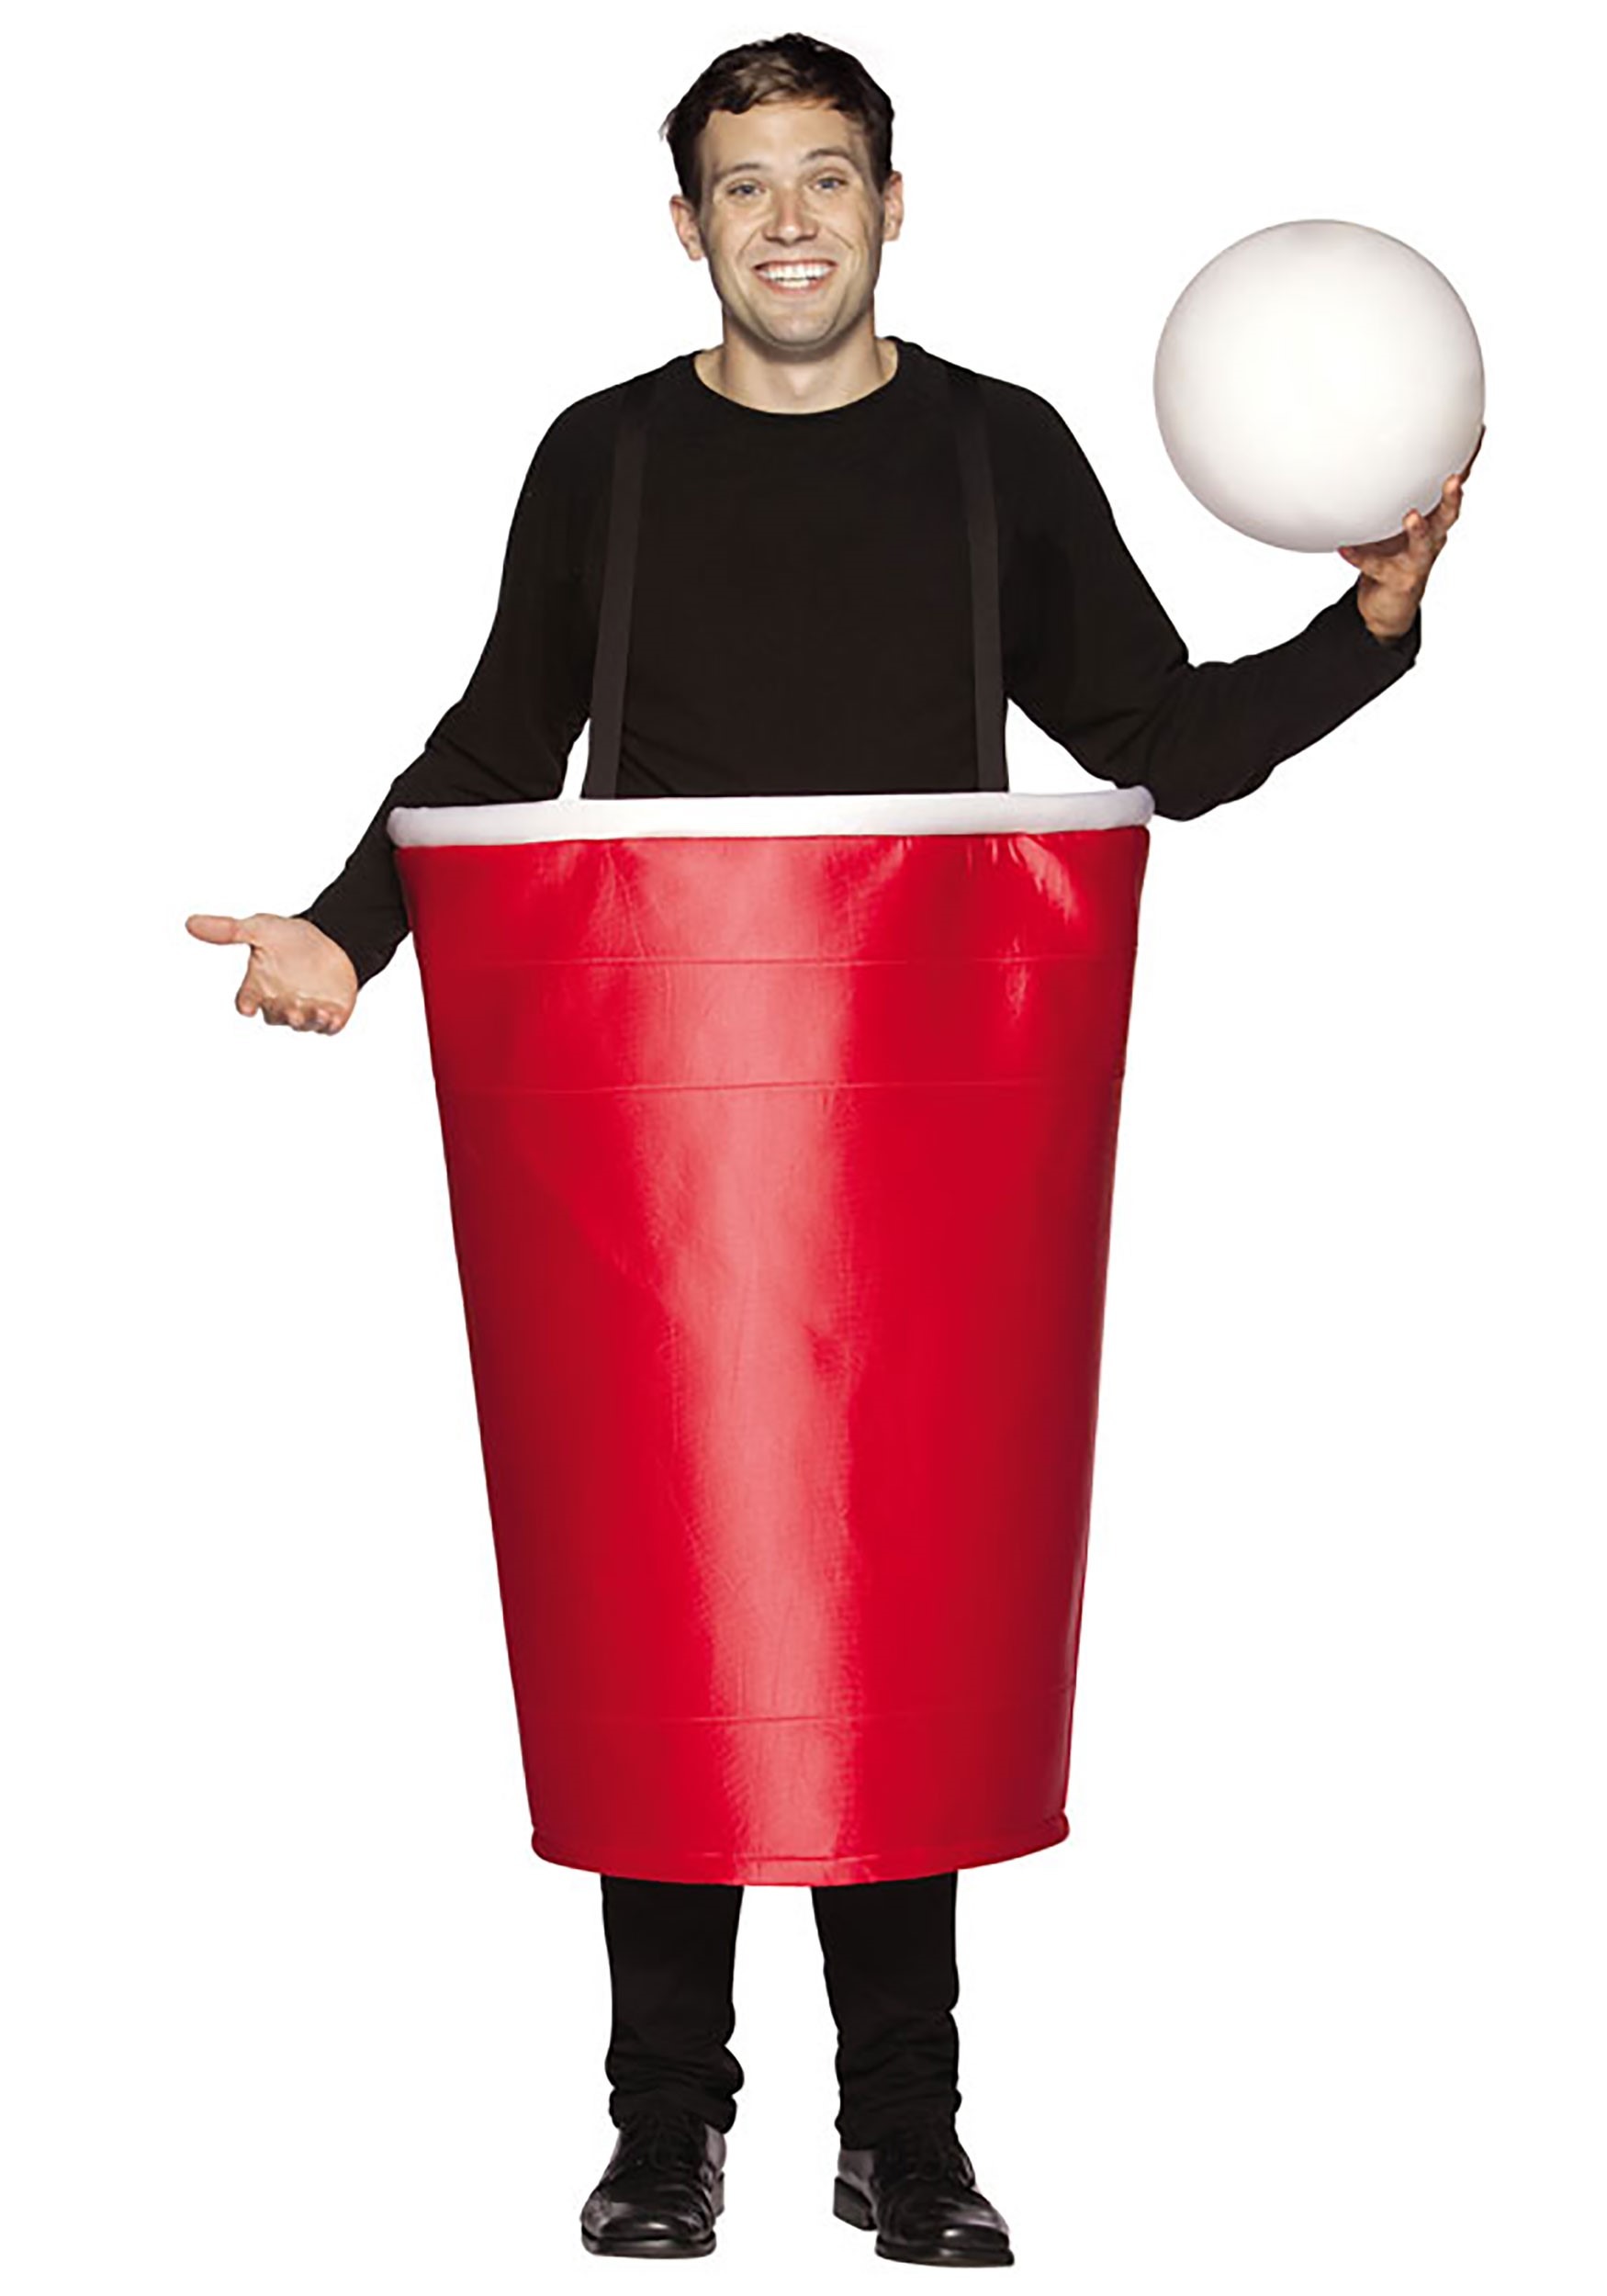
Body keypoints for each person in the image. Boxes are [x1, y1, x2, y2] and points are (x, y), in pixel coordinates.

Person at [185, 31, 1476, 2270]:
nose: (787, 219)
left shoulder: (995, 451)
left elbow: (1156, 742)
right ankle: (659, 2126)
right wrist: (345, 927)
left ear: (893, 202)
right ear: (685, 224)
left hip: (911, 1114)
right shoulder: (604, 460)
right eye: (743, 183)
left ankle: (910, 2130)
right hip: (654, 1119)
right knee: (664, 1579)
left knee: (898, 1588)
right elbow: (498, 740)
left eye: (825, 175)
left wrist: (1367, 627)